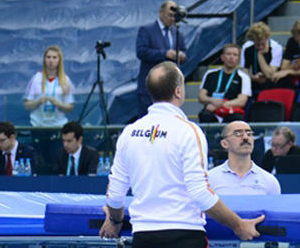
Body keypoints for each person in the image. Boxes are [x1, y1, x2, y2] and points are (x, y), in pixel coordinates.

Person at [100, 62, 265, 244]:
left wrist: (115, 220)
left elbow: (115, 195)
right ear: (178, 91)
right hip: (184, 234)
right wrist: (238, 225)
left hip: (143, 235)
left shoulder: (129, 132)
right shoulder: (188, 131)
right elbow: (200, 194)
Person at [135, 0, 187, 116]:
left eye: (174, 16)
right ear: (161, 13)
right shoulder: (147, 30)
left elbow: (184, 51)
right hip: (150, 85)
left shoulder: (177, 33)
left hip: (170, 86)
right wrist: (164, 54)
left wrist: (182, 56)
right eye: (169, 15)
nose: (172, 19)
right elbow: (141, 52)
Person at [207, 121, 280, 196]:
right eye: (238, 134)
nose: (245, 137)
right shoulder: (210, 179)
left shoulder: (269, 181)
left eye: (249, 134)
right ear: (225, 144)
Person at [197, 43, 251, 124]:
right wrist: (212, 100)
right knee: (205, 115)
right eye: (228, 54)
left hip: (231, 111)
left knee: (237, 118)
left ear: (238, 59)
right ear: (222, 57)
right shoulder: (210, 74)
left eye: (235, 55)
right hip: (211, 109)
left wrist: (220, 105)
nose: (231, 57)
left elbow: (241, 101)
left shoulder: (243, 77)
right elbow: (201, 97)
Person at [25, 45, 76, 128]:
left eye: (54, 57)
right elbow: (27, 105)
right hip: (38, 126)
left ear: (59, 60)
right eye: (48, 57)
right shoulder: (36, 78)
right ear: (44, 60)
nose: (51, 60)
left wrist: (59, 104)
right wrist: (38, 101)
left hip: (59, 125)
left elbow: (70, 107)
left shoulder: (65, 80)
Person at [240, 23, 283, 97]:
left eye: (262, 44)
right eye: (257, 44)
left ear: (267, 38)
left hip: (272, 81)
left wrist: (260, 55)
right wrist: (253, 77)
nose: (260, 47)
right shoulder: (247, 47)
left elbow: (270, 74)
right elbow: (244, 71)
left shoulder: (276, 48)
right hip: (254, 79)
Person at [273, 20, 300, 86]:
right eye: (298, 41)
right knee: (277, 78)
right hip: (297, 71)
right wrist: (293, 66)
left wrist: (290, 71)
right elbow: (283, 68)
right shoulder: (291, 42)